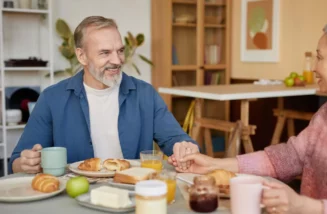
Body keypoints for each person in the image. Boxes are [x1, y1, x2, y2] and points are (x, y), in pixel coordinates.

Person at [169, 15, 327, 214]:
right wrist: (213, 164)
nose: (314, 68)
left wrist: (301, 205)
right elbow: (288, 158)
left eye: (320, 57)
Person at [9, 16, 199, 174]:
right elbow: (17, 161)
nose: (117, 60)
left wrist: (185, 147)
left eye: (120, 51)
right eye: (105, 53)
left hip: (131, 190)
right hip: (74, 195)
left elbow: (176, 139)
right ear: (82, 56)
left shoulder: (145, 94)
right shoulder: (52, 98)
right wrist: (26, 162)